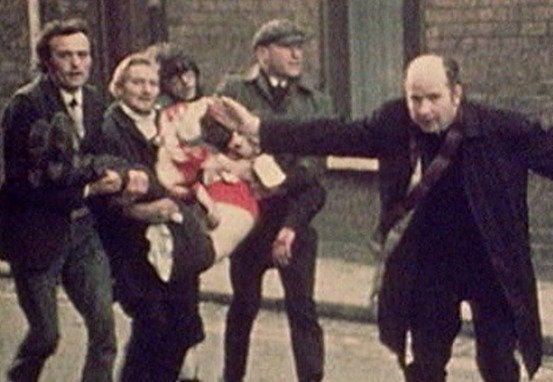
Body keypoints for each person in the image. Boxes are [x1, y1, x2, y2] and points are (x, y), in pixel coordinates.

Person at [215, 54, 553, 382]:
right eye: (416, 98)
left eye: (434, 98)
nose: (425, 110)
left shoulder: (499, 129)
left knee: (499, 364)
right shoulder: (394, 123)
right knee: (426, 363)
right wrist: (259, 128)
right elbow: (337, 133)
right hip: (430, 266)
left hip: (492, 264)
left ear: (457, 94)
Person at [0, 18, 148, 381]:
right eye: (65, 56)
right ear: (47, 62)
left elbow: (103, 155)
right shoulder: (26, 106)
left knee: (104, 333)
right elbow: (17, 184)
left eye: (83, 55)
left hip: (83, 231)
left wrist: (124, 175)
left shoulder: (96, 101)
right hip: (36, 234)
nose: (76, 64)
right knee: (46, 336)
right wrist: (86, 188)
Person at [216, 18, 332, 382]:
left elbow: (315, 171)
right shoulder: (234, 91)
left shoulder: (316, 101)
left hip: (295, 218)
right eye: (287, 46)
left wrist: (271, 184)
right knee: (244, 305)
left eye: (300, 45)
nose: (297, 54)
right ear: (262, 53)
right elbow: (217, 145)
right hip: (249, 219)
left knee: (303, 310)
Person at [94, 53, 214, 382]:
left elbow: (191, 166)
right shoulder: (110, 126)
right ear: (119, 87)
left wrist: (202, 199)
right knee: (153, 325)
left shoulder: (167, 121)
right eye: (137, 83)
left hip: (176, 242)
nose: (146, 90)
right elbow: (105, 192)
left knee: (185, 325)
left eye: (151, 83)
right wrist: (141, 209)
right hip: (133, 247)